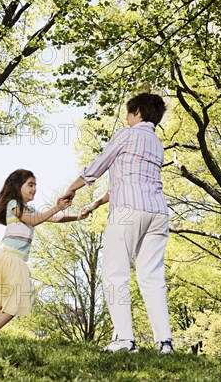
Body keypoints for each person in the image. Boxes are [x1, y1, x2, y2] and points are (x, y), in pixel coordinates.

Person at [62, 92, 174, 354]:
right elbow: (131, 178)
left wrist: (72, 188)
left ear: (137, 112)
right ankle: (164, 342)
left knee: (115, 273)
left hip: (127, 210)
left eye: (128, 112)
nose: (126, 117)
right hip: (157, 212)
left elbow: (98, 166)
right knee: (152, 276)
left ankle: (124, 340)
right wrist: (96, 204)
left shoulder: (128, 133)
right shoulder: (157, 143)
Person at [0, 169, 85, 342]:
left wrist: (77, 217)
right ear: (17, 187)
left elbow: (53, 218)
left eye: (35, 185)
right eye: (30, 185)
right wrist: (56, 207)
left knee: (13, 297)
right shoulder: (13, 205)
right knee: (18, 299)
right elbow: (34, 221)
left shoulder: (29, 209)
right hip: (10, 256)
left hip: (12, 257)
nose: (34, 189)